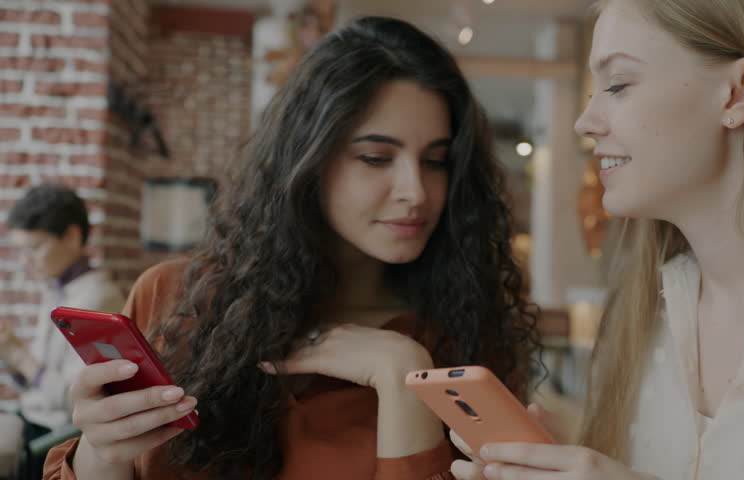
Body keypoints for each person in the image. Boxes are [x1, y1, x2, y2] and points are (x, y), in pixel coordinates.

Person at [44, 16, 538, 480]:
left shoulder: (467, 339)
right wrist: (101, 452)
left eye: (436, 161)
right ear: (308, 160)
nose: (416, 191)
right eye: (375, 157)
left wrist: (403, 374)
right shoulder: (175, 299)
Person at [451, 0, 744, 479]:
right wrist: (570, 455)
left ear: (741, 91)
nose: (584, 122)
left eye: (618, 85)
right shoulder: (643, 314)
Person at [0, 183, 125, 479]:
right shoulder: (57, 288)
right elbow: (37, 382)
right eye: (22, 250)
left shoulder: (97, 298)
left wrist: (21, 358)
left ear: (71, 235)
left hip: (53, 438)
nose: (26, 261)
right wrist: (11, 356)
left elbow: (79, 401)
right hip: (32, 420)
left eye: (34, 248)